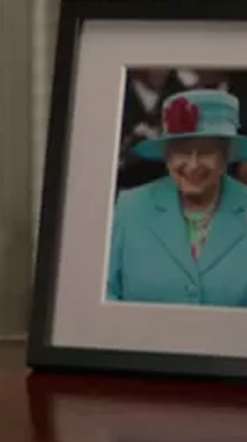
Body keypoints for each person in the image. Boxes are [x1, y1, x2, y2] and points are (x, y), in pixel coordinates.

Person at [106, 88, 247, 307]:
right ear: (167, 156)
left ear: (226, 155)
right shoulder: (129, 208)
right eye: (182, 151)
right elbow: (105, 293)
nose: (192, 165)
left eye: (206, 152)